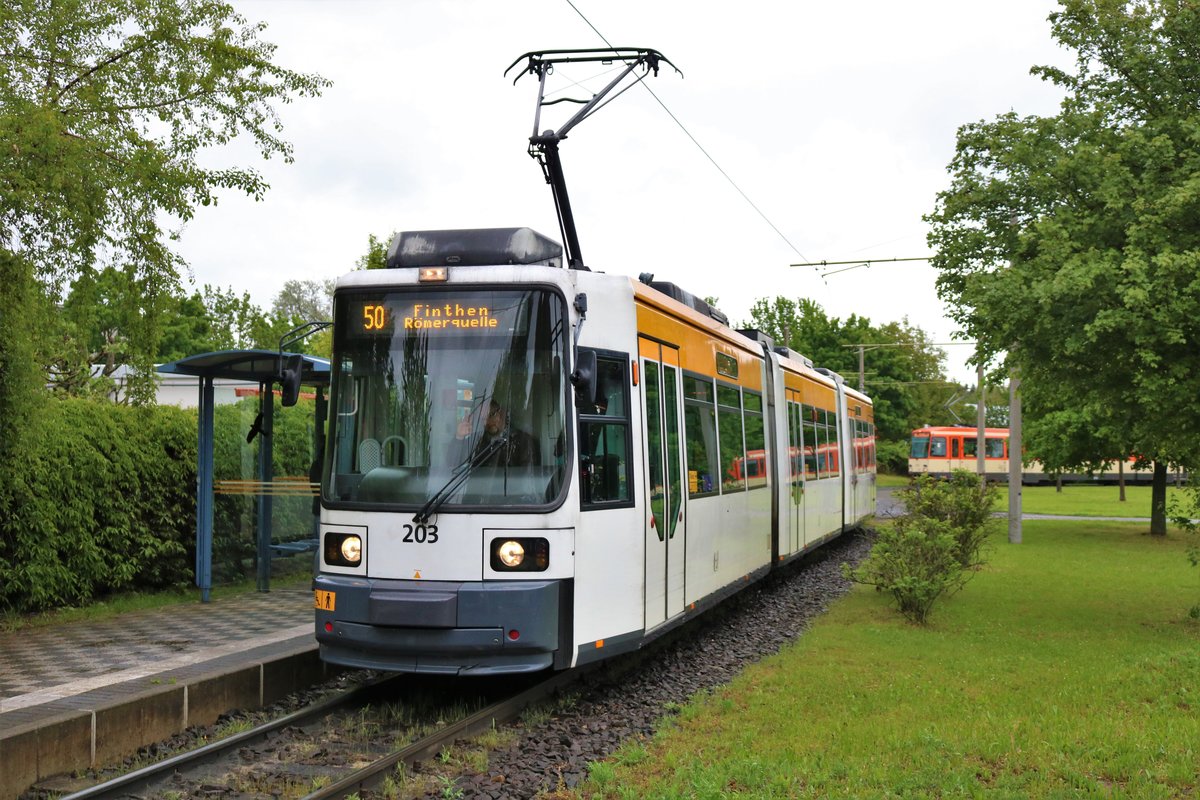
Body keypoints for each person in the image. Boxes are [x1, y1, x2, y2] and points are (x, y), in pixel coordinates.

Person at [471, 400, 540, 467]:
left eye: (491, 415)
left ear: (501, 413)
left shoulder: (524, 441)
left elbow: (528, 475)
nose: (487, 422)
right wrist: (460, 436)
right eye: (482, 419)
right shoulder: (479, 442)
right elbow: (468, 469)